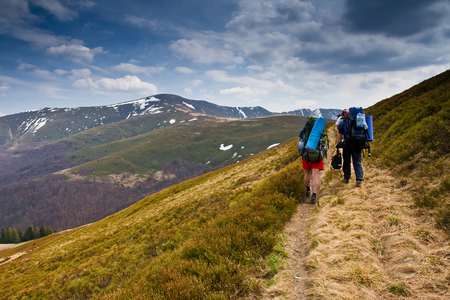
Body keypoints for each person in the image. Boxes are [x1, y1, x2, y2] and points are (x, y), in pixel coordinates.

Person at [298, 123, 325, 204]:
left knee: (307, 172)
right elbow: (324, 145)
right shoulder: (320, 130)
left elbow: (298, 144)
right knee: (315, 175)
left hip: (306, 155)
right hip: (318, 156)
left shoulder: (303, 130)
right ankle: (314, 195)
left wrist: (302, 152)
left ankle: (307, 190)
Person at [336, 115, 364, 187]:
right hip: (358, 144)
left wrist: (338, 147)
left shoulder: (343, 124)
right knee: (357, 161)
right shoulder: (360, 123)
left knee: (346, 161)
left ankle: (346, 178)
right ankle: (359, 179)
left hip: (347, 145)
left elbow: (340, 137)